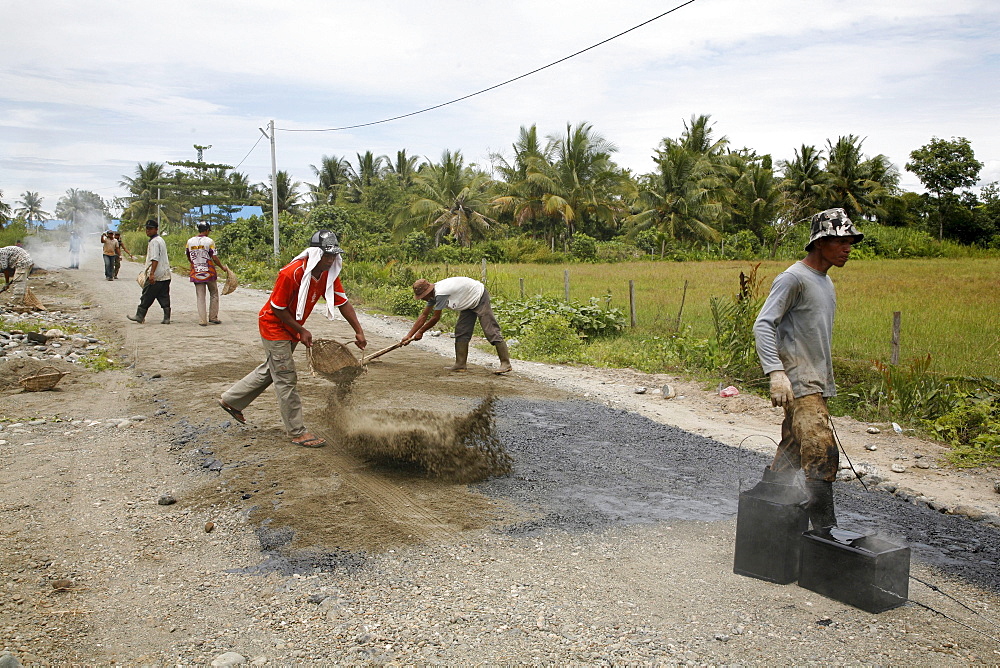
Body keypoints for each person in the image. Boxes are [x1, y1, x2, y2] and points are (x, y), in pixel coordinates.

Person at [752, 207, 864, 537]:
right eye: (841, 241)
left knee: (789, 456)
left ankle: (764, 528)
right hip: (800, 383)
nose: (848, 248)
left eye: (850, 242)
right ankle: (826, 538)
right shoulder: (793, 278)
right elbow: (764, 324)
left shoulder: (825, 281)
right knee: (821, 453)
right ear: (820, 242)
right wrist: (776, 373)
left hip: (815, 382)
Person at [218, 230, 367, 448]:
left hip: (292, 328)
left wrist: (358, 330)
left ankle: (231, 400)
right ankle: (297, 431)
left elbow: (342, 302)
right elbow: (277, 309)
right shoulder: (292, 273)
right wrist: (301, 329)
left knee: (274, 368)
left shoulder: (328, 273)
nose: (331, 259)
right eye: (327, 255)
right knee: (286, 377)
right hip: (274, 327)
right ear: (316, 254)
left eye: (334, 255)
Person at [402, 276, 512, 374]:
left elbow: (435, 318)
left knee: (490, 329)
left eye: (423, 296)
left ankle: (505, 363)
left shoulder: (441, 293)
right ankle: (460, 364)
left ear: (428, 291)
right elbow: (424, 315)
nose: (423, 299)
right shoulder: (432, 296)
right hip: (467, 302)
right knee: (461, 331)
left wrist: (421, 332)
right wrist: (409, 335)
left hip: (478, 295)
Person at [185, 222, 230, 326]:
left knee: (200, 296)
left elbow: (188, 256)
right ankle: (213, 317)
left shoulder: (190, 241)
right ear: (206, 230)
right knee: (214, 293)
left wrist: (194, 264)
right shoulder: (209, 241)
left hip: (196, 271)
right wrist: (222, 267)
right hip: (209, 271)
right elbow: (214, 257)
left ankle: (202, 320)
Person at [127, 220, 172, 324]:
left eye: (150, 229)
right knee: (163, 296)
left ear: (156, 229)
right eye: (147, 229)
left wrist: (151, 274)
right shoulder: (160, 240)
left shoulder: (154, 242)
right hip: (165, 274)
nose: (148, 231)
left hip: (156, 275)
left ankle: (139, 316)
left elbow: (155, 258)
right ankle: (166, 317)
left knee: (146, 296)